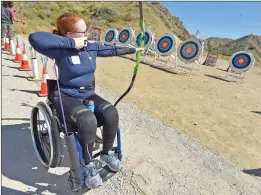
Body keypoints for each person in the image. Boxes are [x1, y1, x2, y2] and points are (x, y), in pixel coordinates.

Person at [29, 13, 144, 192]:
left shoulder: (90, 47)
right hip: (66, 95)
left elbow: (111, 50)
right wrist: (72, 44)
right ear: (69, 35)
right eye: (83, 32)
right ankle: (88, 165)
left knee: (111, 112)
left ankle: (106, 153)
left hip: (88, 94)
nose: (87, 35)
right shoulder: (59, 49)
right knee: (87, 120)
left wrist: (134, 50)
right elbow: (35, 38)